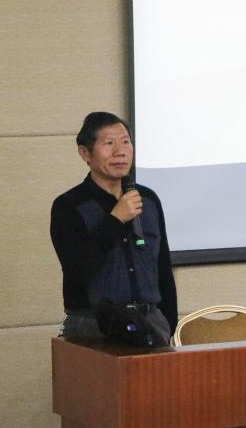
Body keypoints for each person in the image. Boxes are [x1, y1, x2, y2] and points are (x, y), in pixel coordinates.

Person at [50, 112, 178, 340]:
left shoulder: (147, 199)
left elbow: (162, 266)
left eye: (125, 142)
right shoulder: (68, 206)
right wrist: (115, 220)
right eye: (109, 143)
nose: (120, 151)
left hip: (151, 322)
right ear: (85, 153)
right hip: (94, 326)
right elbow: (77, 269)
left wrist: (169, 323)